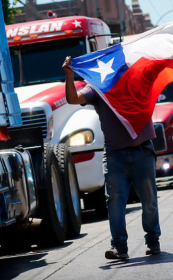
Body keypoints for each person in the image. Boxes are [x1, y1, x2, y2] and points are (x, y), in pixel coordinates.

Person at [62, 56, 161, 260]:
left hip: (142, 151)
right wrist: (70, 75)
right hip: (115, 154)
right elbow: (73, 99)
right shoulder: (96, 86)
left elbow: (157, 67)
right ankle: (119, 247)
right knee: (114, 201)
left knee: (149, 200)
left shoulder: (137, 78)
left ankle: (153, 240)